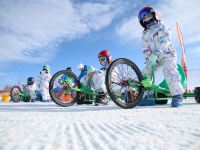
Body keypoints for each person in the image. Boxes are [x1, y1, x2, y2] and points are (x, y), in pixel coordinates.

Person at [138, 7, 184, 107]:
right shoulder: (145, 34)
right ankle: (149, 96)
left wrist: (156, 52)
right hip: (155, 59)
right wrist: (149, 58)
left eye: (148, 15)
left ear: (154, 15)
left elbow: (165, 41)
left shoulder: (161, 26)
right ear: (142, 21)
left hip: (167, 54)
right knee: (145, 73)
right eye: (144, 18)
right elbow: (145, 48)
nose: (146, 18)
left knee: (169, 71)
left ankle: (177, 95)